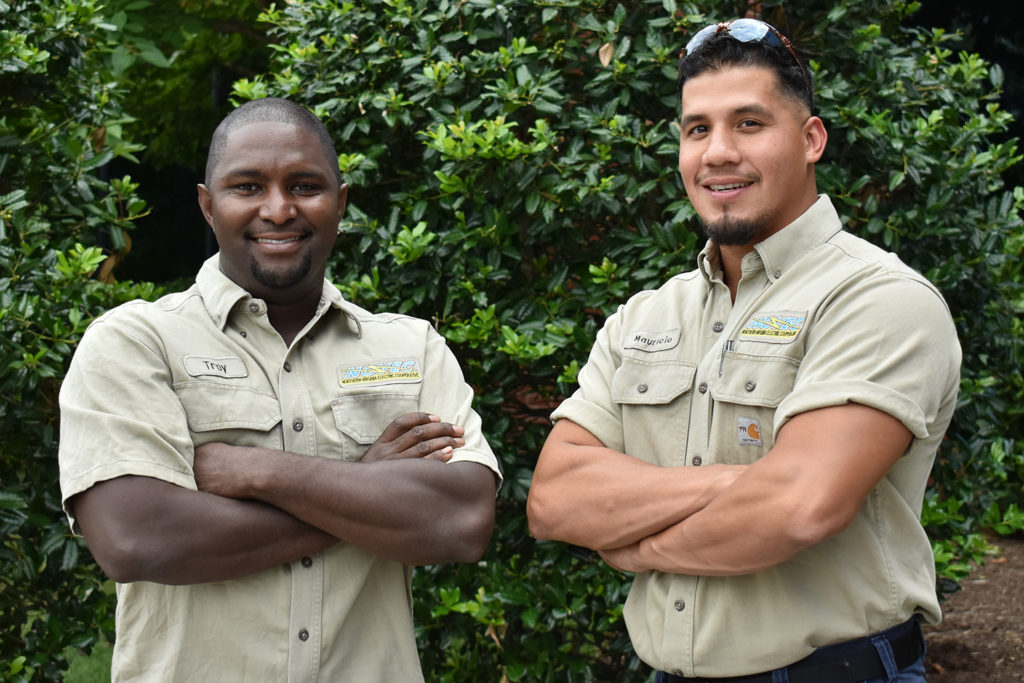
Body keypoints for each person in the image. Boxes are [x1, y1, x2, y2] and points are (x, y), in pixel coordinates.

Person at [527, 18, 960, 683]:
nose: (718, 152)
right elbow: (554, 498)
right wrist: (741, 482)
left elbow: (799, 506)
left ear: (811, 139)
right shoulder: (648, 312)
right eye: (697, 128)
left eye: (749, 124)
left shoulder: (879, 299)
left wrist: (633, 544)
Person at [58, 97, 501, 681]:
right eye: (247, 186)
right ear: (207, 205)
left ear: (339, 203)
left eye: (305, 185)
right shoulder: (137, 343)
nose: (278, 209)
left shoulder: (411, 349)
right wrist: (367, 488)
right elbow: (137, 538)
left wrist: (257, 474)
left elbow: (461, 521)